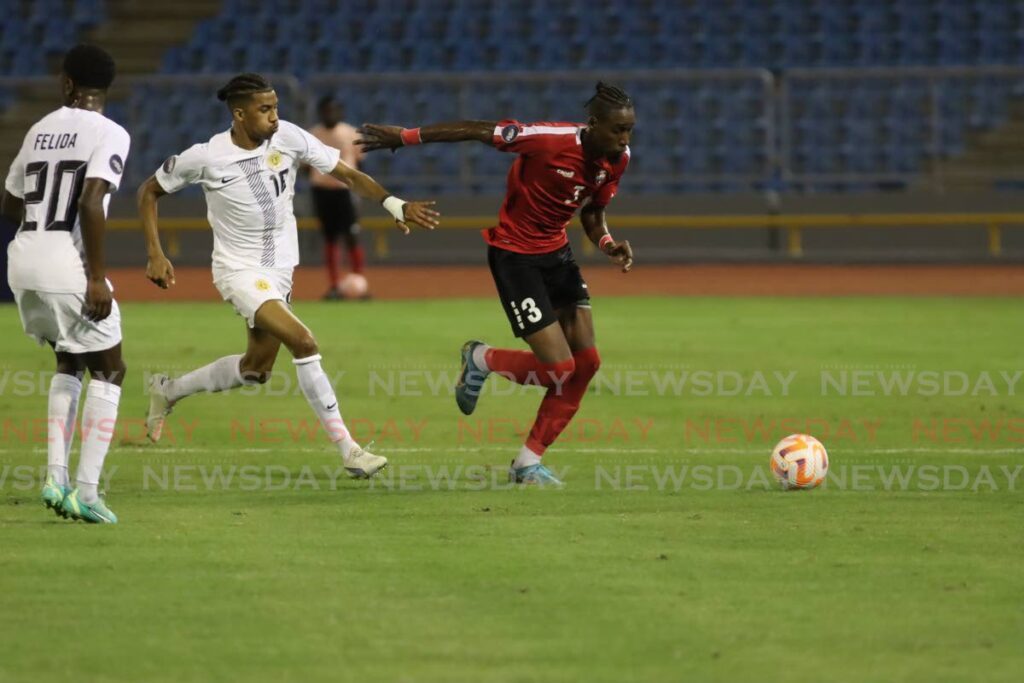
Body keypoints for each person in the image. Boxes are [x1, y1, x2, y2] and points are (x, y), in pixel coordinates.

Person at [138, 73, 439, 479]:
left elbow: (346, 173)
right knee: (304, 340)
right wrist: (155, 252)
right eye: (265, 110)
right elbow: (148, 192)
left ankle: (167, 390)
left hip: (280, 269)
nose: (275, 117)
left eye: (276, 107)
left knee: (256, 369)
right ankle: (349, 450)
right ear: (239, 113)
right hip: (238, 269)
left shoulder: (290, 137)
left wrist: (393, 203)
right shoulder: (205, 156)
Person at [358, 81, 635, 486]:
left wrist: (608, 244)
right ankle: (481, 359)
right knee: (559, 368)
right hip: (515, 257)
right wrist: (405, 136)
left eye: (629, 130)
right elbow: (476, 129)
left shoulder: (618, 158)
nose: (625, 139)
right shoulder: (547, 140)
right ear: (593, 124)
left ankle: (527, 462)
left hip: (557, 256)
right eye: (617, 130)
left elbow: (593, 213)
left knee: (587, 364)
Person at [1, 44, 131, 523]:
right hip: (65, 265)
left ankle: (55, 477)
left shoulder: (38, 129)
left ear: (68, 84)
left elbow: (10, 200)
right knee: (112, 370)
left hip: (22, 260)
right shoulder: (110, 132)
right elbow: (91, 201)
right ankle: (87, 491)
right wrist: (96, 277)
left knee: (69, 360)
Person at [308, 94, 367, 300]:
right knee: (330, 238)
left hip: (344, 191)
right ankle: (334, 287)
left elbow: (360, 162)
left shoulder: (350, 133)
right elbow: (306, 166)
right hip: (322, 191)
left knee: (351, 236)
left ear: (340, 112)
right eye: (326, 110)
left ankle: (359, 284)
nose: (329, 114)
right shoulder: (313, 135)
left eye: (333, 110)